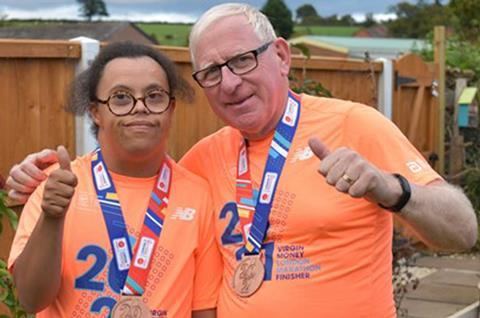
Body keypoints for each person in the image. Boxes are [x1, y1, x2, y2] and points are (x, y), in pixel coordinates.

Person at [7, 3, 478, 318]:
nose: (229, 83)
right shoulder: (202, 162)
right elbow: (132, 183)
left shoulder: (356, 125)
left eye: (242, 61)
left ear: (281, 55)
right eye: (211, 72)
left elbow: (462, 231)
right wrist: (33, 179)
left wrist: (391, 189)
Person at [7, 42, 221, 318]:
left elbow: (203, 310)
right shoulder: (57, 187)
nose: (140, 107)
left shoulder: (198, 195)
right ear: (95, 112)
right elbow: (30, 299)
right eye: (121, 97)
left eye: (154, 96)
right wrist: (52, 217)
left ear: (171, 107)